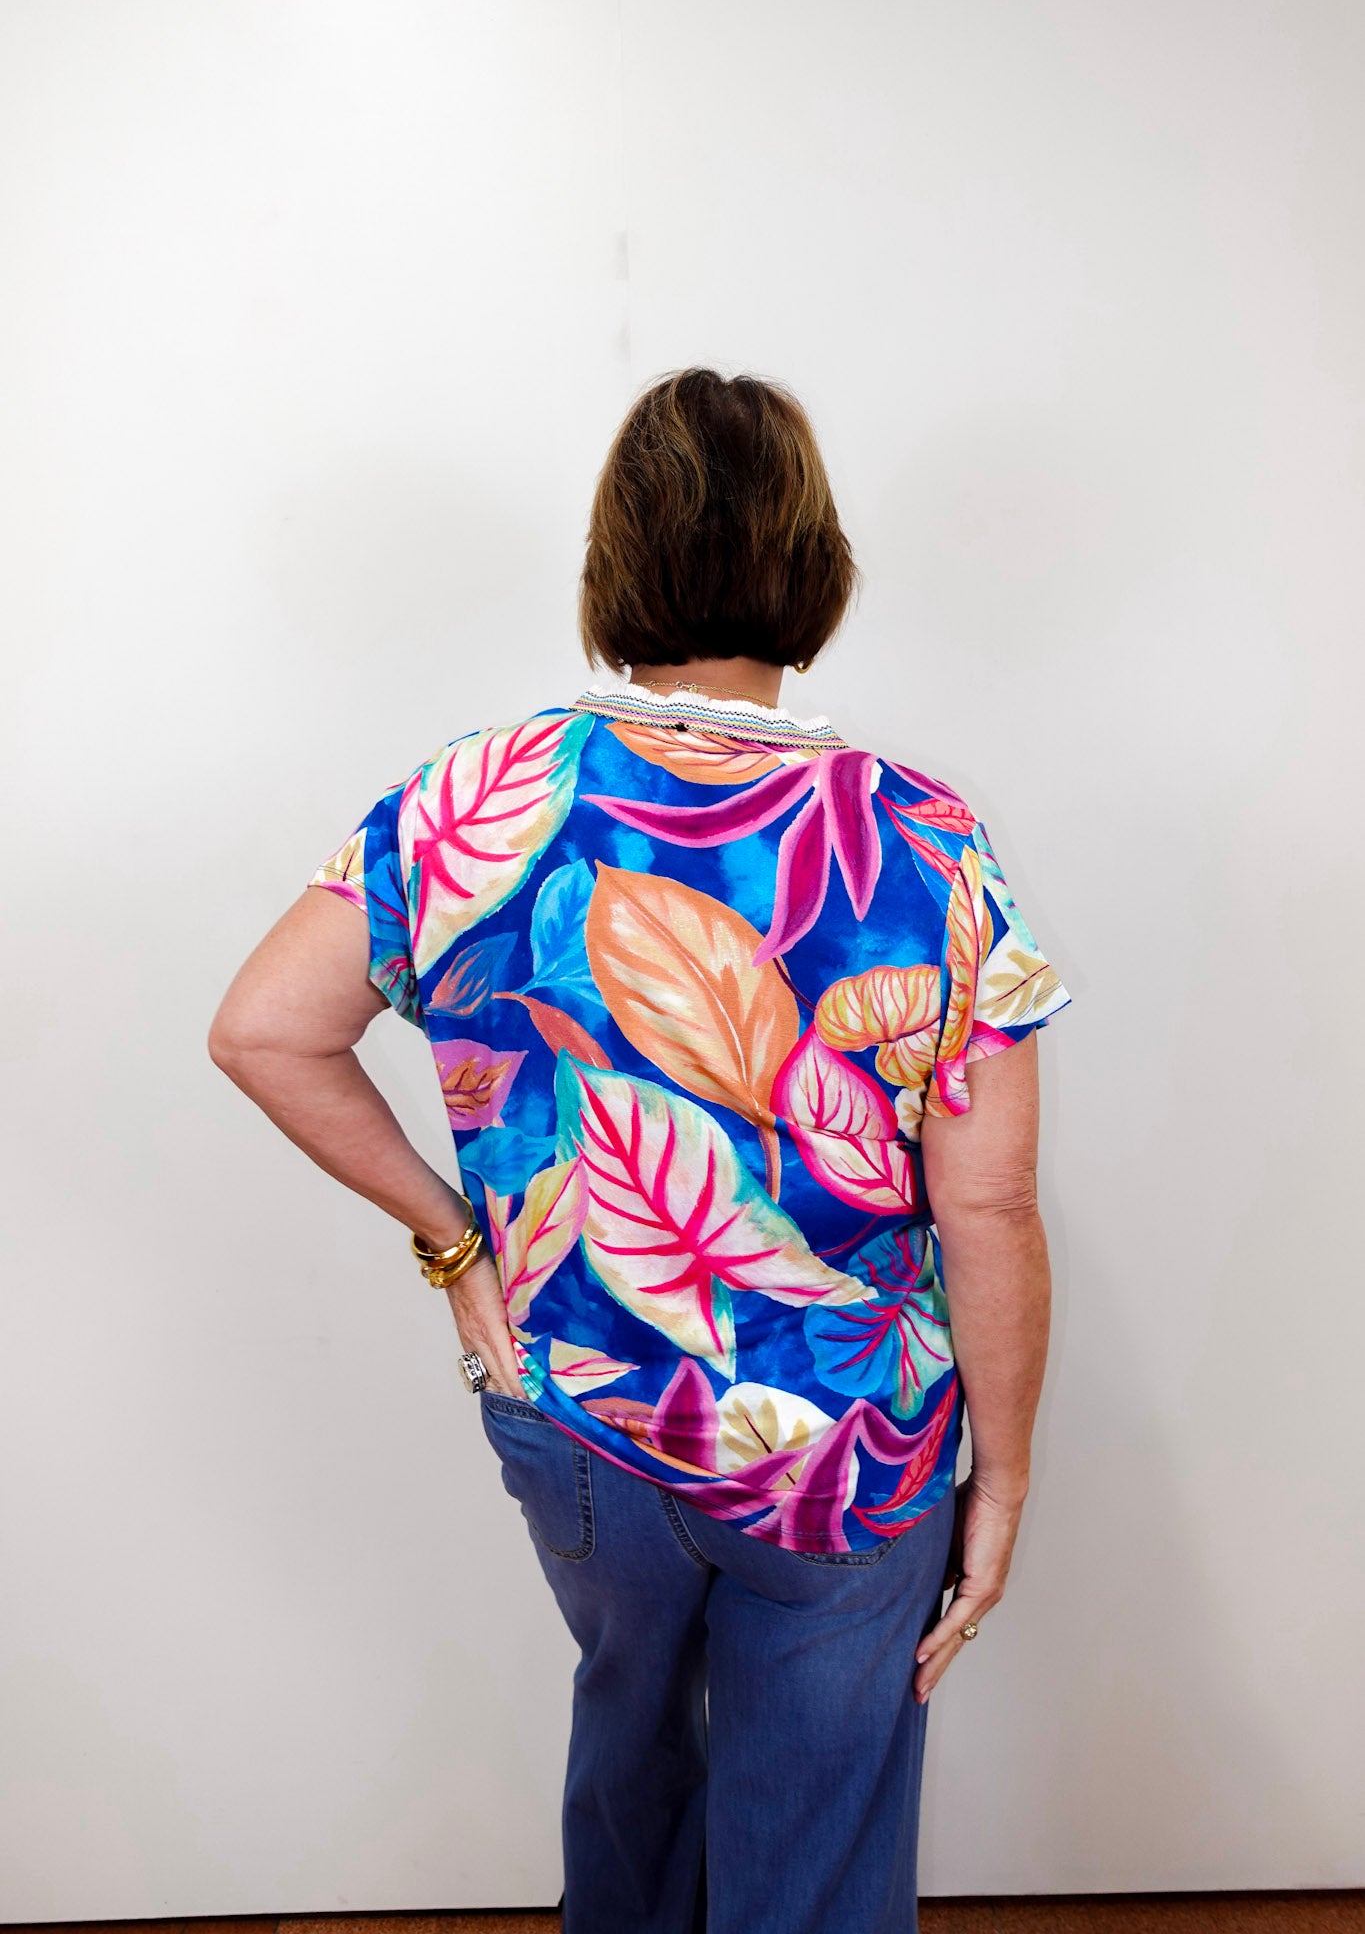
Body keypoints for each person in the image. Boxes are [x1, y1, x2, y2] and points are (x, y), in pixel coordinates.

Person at [209, 367, 1072, 1934]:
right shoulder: (920, 835)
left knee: (631, 1746)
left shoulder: (469, 798)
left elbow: (265, 1027)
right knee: (811, 1829)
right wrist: (999, 1481)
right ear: (813, 571)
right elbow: (989, 1203)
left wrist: (454, 1239)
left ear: (615, 569)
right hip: (841, 1449)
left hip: (575, 1411)